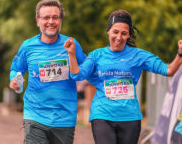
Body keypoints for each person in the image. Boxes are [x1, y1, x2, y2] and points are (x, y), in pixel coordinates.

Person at [64, 9, 182, 144]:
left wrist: (180, 54)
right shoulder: (97, 55)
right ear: (108, 31)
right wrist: (71, 54)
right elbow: (77, 75)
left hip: (130, 117)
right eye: (115, 32)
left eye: (124, 33)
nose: (119, 37)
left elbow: (168, 71)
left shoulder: (138, 55)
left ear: (128, 35)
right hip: (103, 115)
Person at [9, 0, 86, 144]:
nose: (51, 21)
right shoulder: (28, 46)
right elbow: (16, 69)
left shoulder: (71, 44)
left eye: (55, 17)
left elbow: (87, 69)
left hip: (64, 118)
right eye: (46, 17)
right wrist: (15, 80)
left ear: (60, 21)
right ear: (38, 21)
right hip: (35, 115)